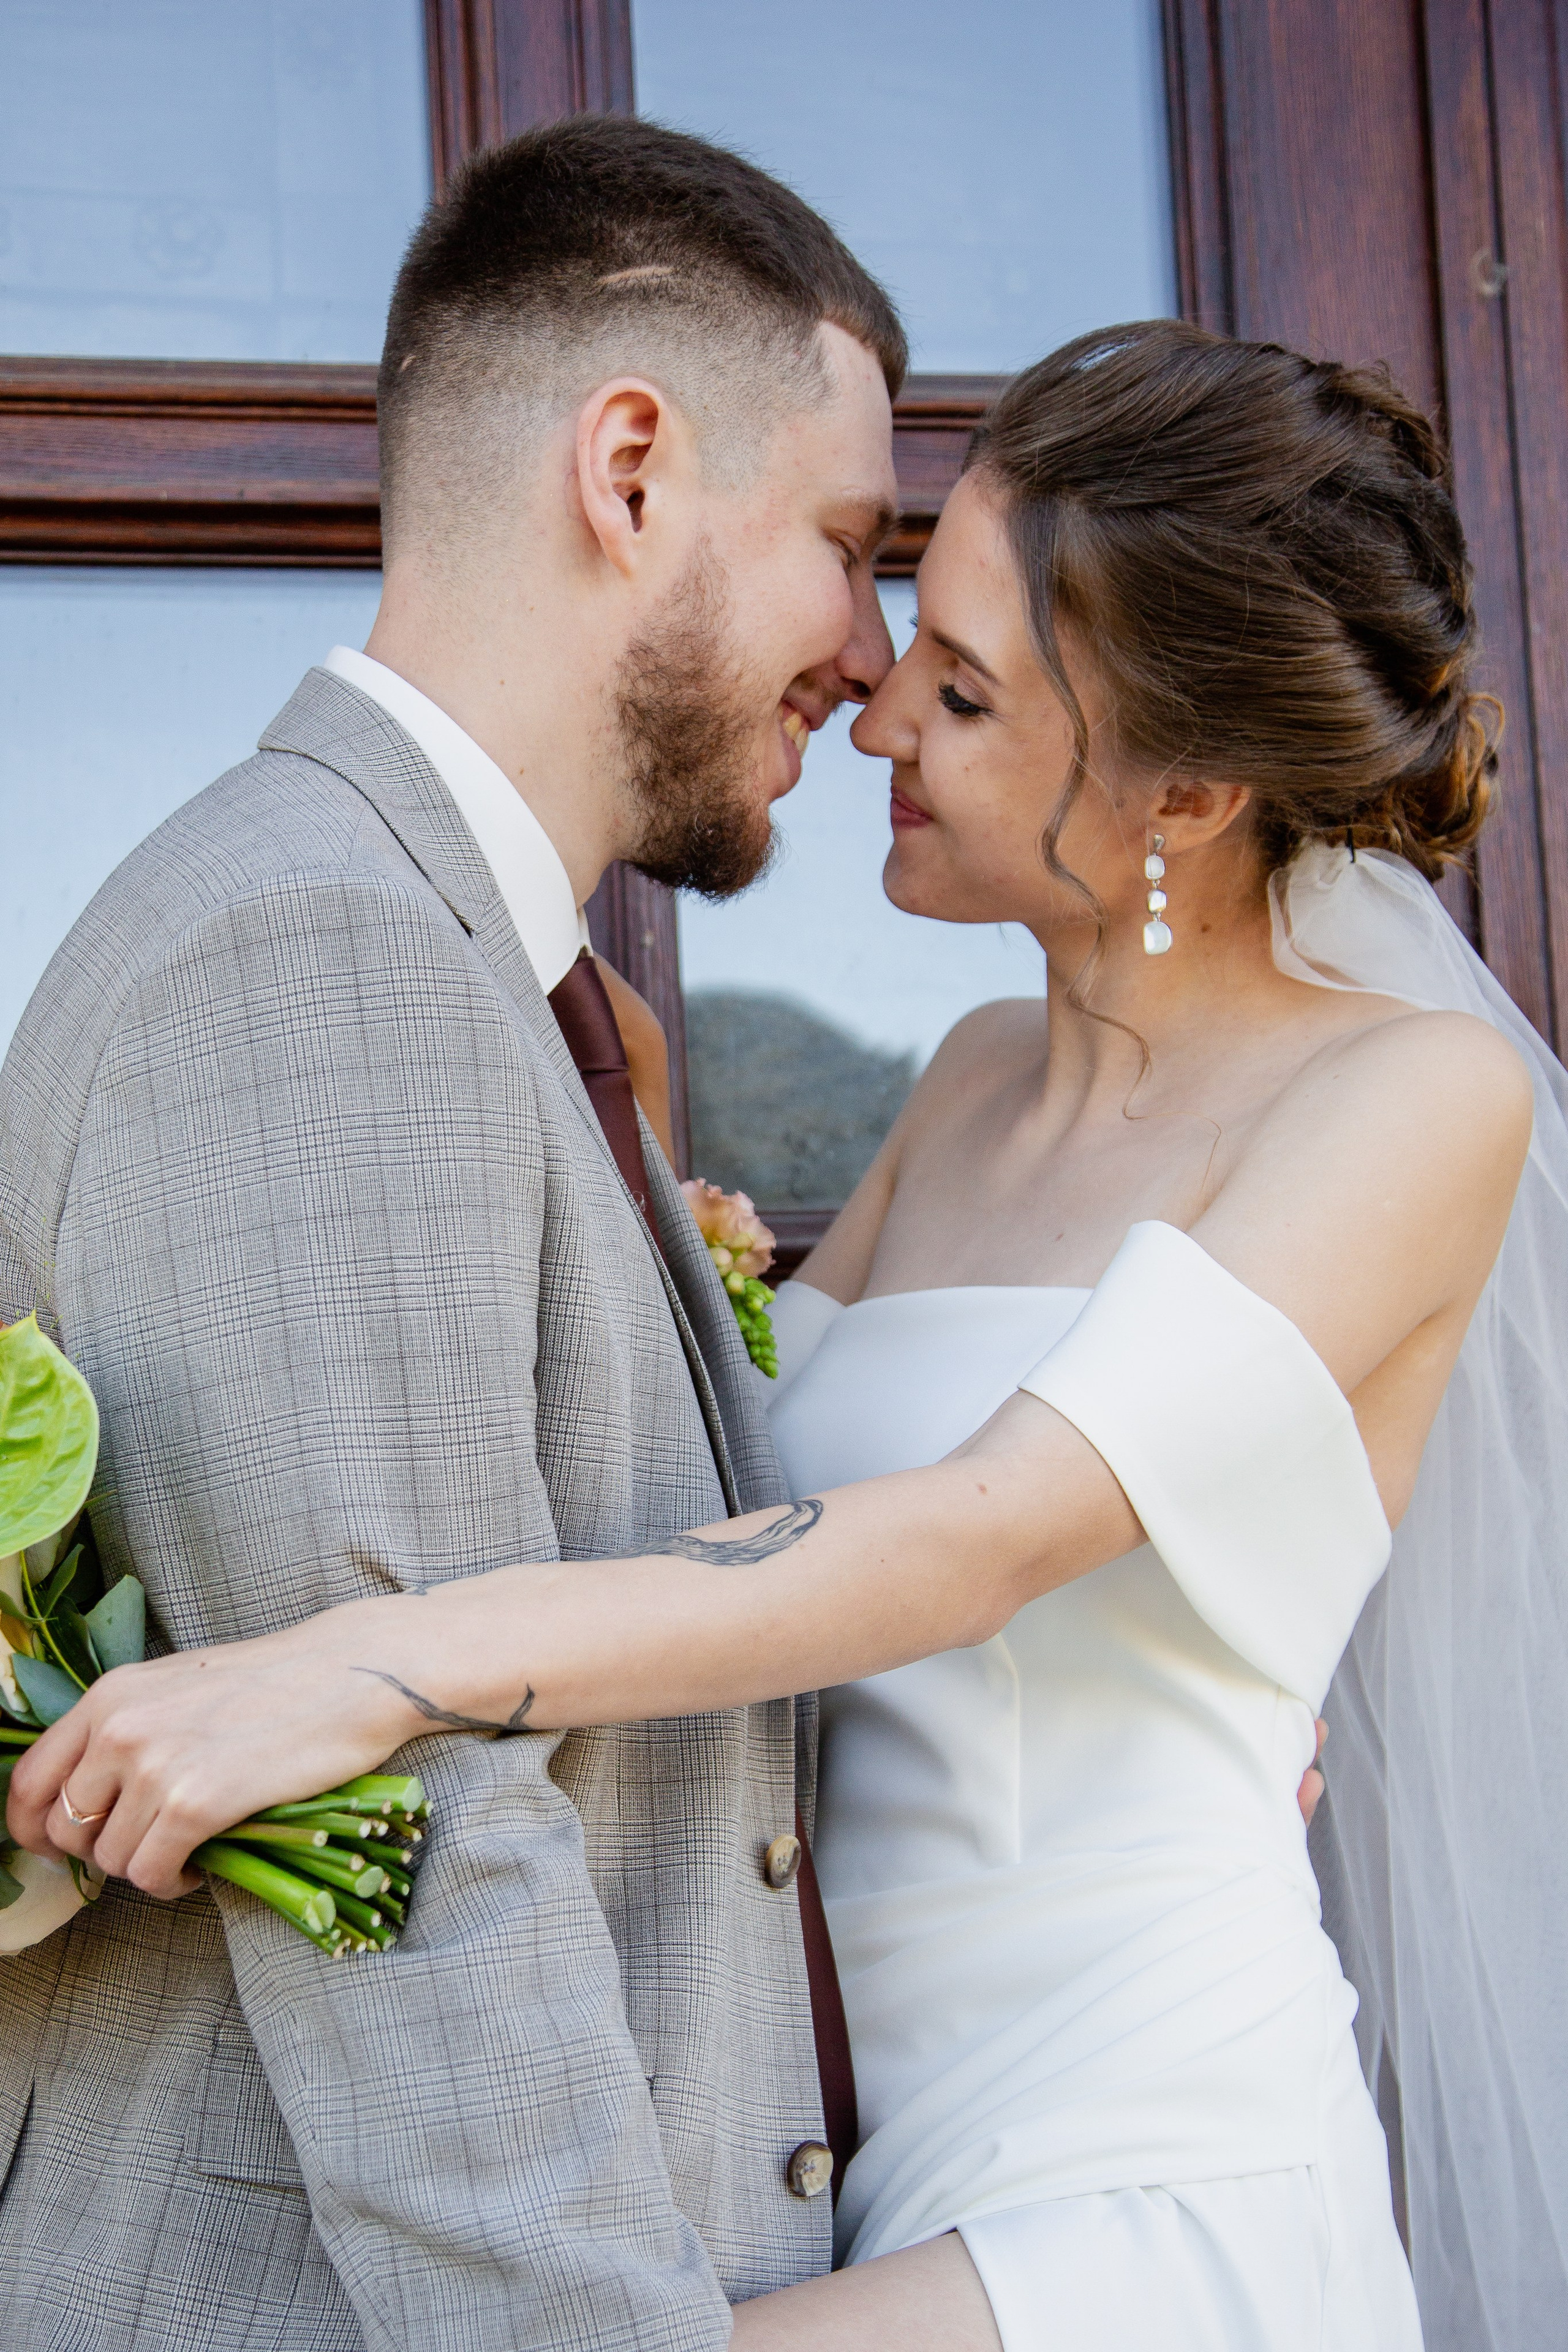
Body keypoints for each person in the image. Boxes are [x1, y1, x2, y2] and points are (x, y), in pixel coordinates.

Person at [20, 319, 1561, 2351]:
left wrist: (371, 1663)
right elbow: (734, 1479)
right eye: (912, 627)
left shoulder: (1412, 1100)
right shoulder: (976, 1073)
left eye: (970, 688)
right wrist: (593, 1159)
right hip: (832, 2152)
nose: (877, 715)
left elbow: (973, 1539)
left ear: (1187, 789)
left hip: (1135, 2172)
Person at [0, 116, 910, 2351]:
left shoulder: (463, 967)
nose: (874, 655)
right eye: (845, 542)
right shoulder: (315, 955)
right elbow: (411, 1886)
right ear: (629, 470)